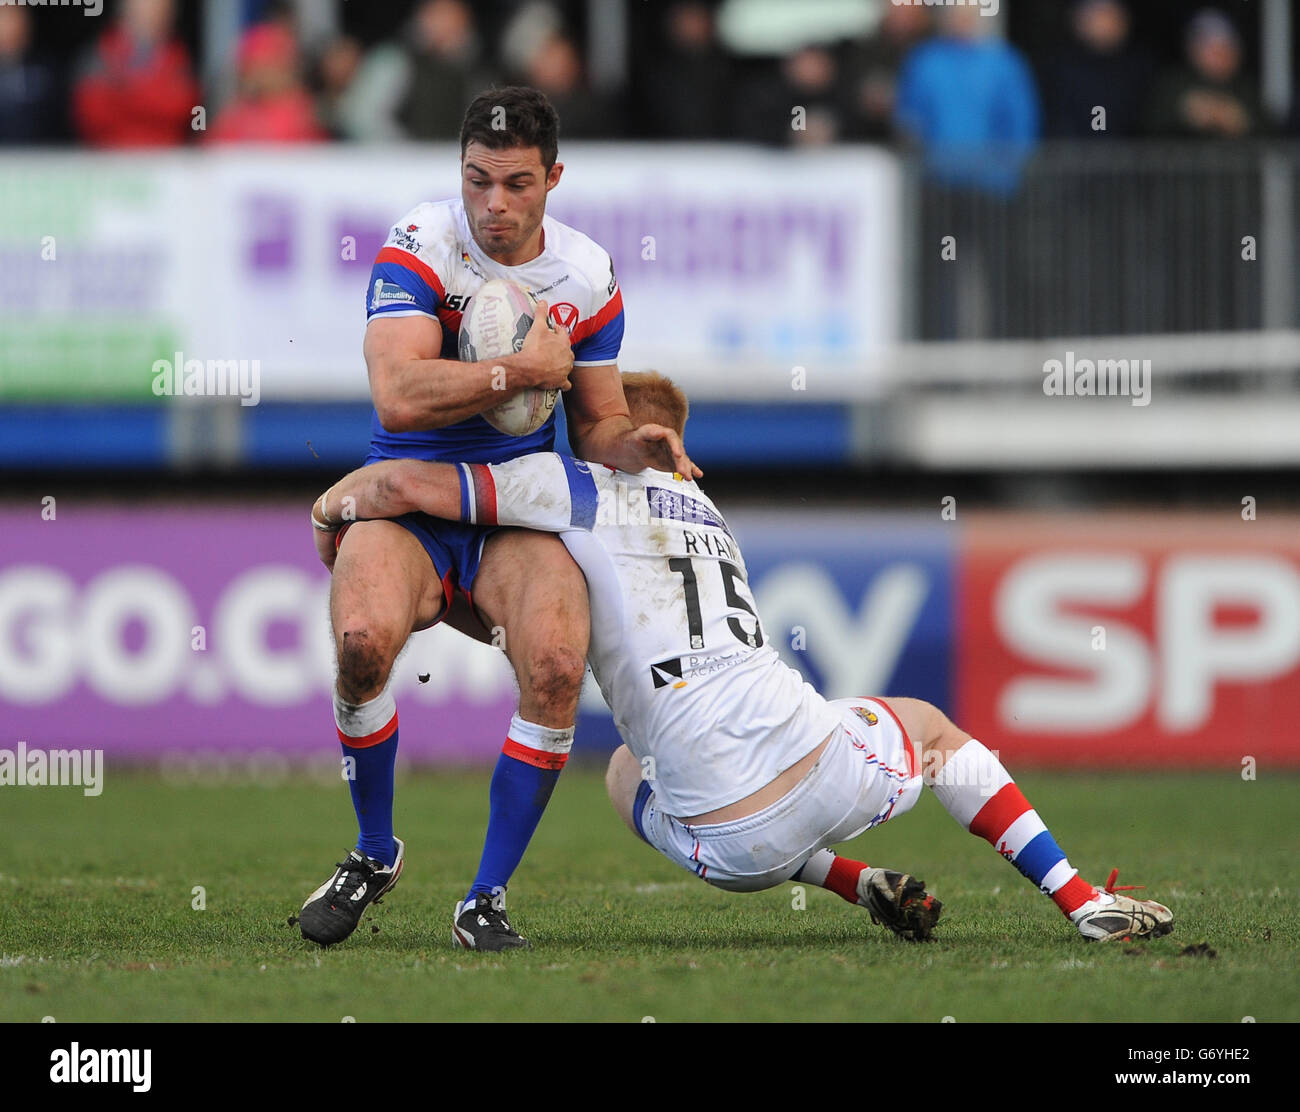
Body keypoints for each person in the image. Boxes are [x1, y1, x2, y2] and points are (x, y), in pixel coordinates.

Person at [307, 372, 1175, 945]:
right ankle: (1078, 900)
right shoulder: (709, 512)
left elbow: (399, 489)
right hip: (823, 765)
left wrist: (332, 513)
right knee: (936, 733)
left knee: (617, 772)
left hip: (725, 852)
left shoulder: (573, 489)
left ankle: (848, 880)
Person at [296, 87, 698, 952]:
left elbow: (594, 426)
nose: (494, 205)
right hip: (409, 497)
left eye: (517, 184)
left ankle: (485, 899)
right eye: (478, 180)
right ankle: (373, 852)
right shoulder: (420, 243)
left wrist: (638, 445)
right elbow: (398, 397)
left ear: (554, 177)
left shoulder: (587, 274)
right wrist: (517, 371)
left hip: (516, 509)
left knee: (556, 666)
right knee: (362, 645)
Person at [71, 0, 198, 148]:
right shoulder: (99, 56)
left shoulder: (181, 59)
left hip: (165, 161)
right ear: (125, 9)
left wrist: (124, 92)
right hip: (108, 161)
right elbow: (91, 114)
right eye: (143, 6)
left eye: (160, 8)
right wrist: (155, 96)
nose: (152, 14)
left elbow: (182, 109)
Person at [1144, 9, 1261, 140]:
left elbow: (1270, 132)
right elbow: (1150, 127)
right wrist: (1186, 112)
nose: (1221, 56)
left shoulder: (1247, 89)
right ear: (1194, 51)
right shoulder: (1174, 85)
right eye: (1213, 50)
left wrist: (1241, 121)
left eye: (1227, 48)